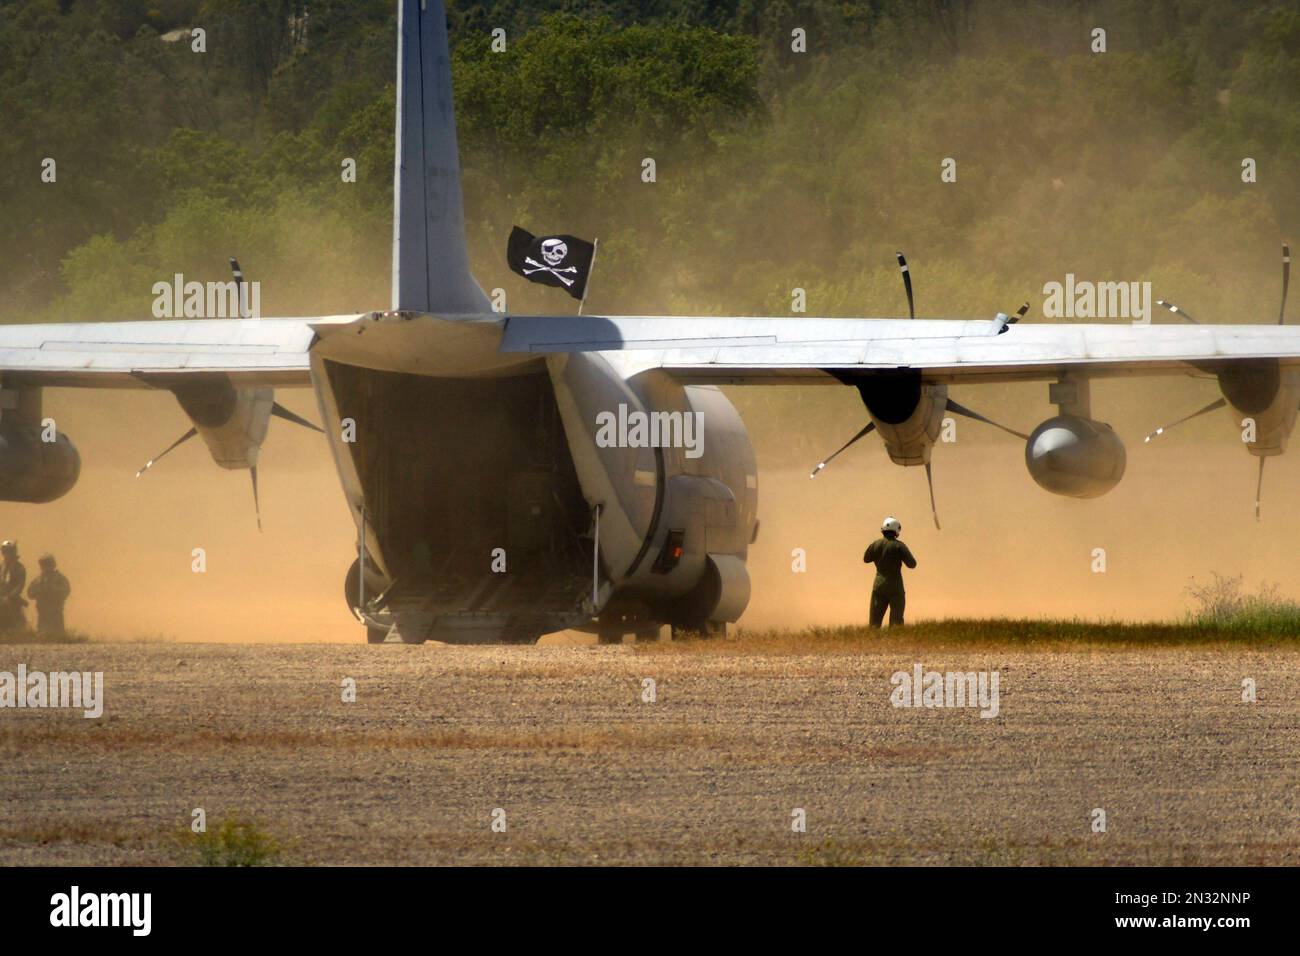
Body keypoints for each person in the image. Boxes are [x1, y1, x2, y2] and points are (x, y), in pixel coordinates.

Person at [864, 516, 916, 628]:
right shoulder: (899, 545)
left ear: (883, 530)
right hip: (895, 586)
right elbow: (912, 564)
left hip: (879, 585)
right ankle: (895, 642)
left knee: (874, 622)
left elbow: (866, 559)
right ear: (896, 531)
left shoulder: (875, 544)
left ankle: (872, 643)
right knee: (896, 622)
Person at [27, 553, 71, 637]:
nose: (46, 567)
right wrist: (38, 592)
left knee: (58, 634)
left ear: (53, 565)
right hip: (42, 611)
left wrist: (54, 590)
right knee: (42, 634)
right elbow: (30, 593)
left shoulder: (60, 578)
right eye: (43, 565)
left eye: (48, 564)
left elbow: (66, 590)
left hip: (55, 610)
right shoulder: (38, 579)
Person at [0, 540, 28, 631]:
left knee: (14, 623)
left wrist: (10, 596)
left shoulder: (19, 568)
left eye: (8, 551)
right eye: (4, 552)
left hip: (13, 600)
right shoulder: (1, 567)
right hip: (1, 599)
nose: (6, 554)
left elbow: (20, 585)